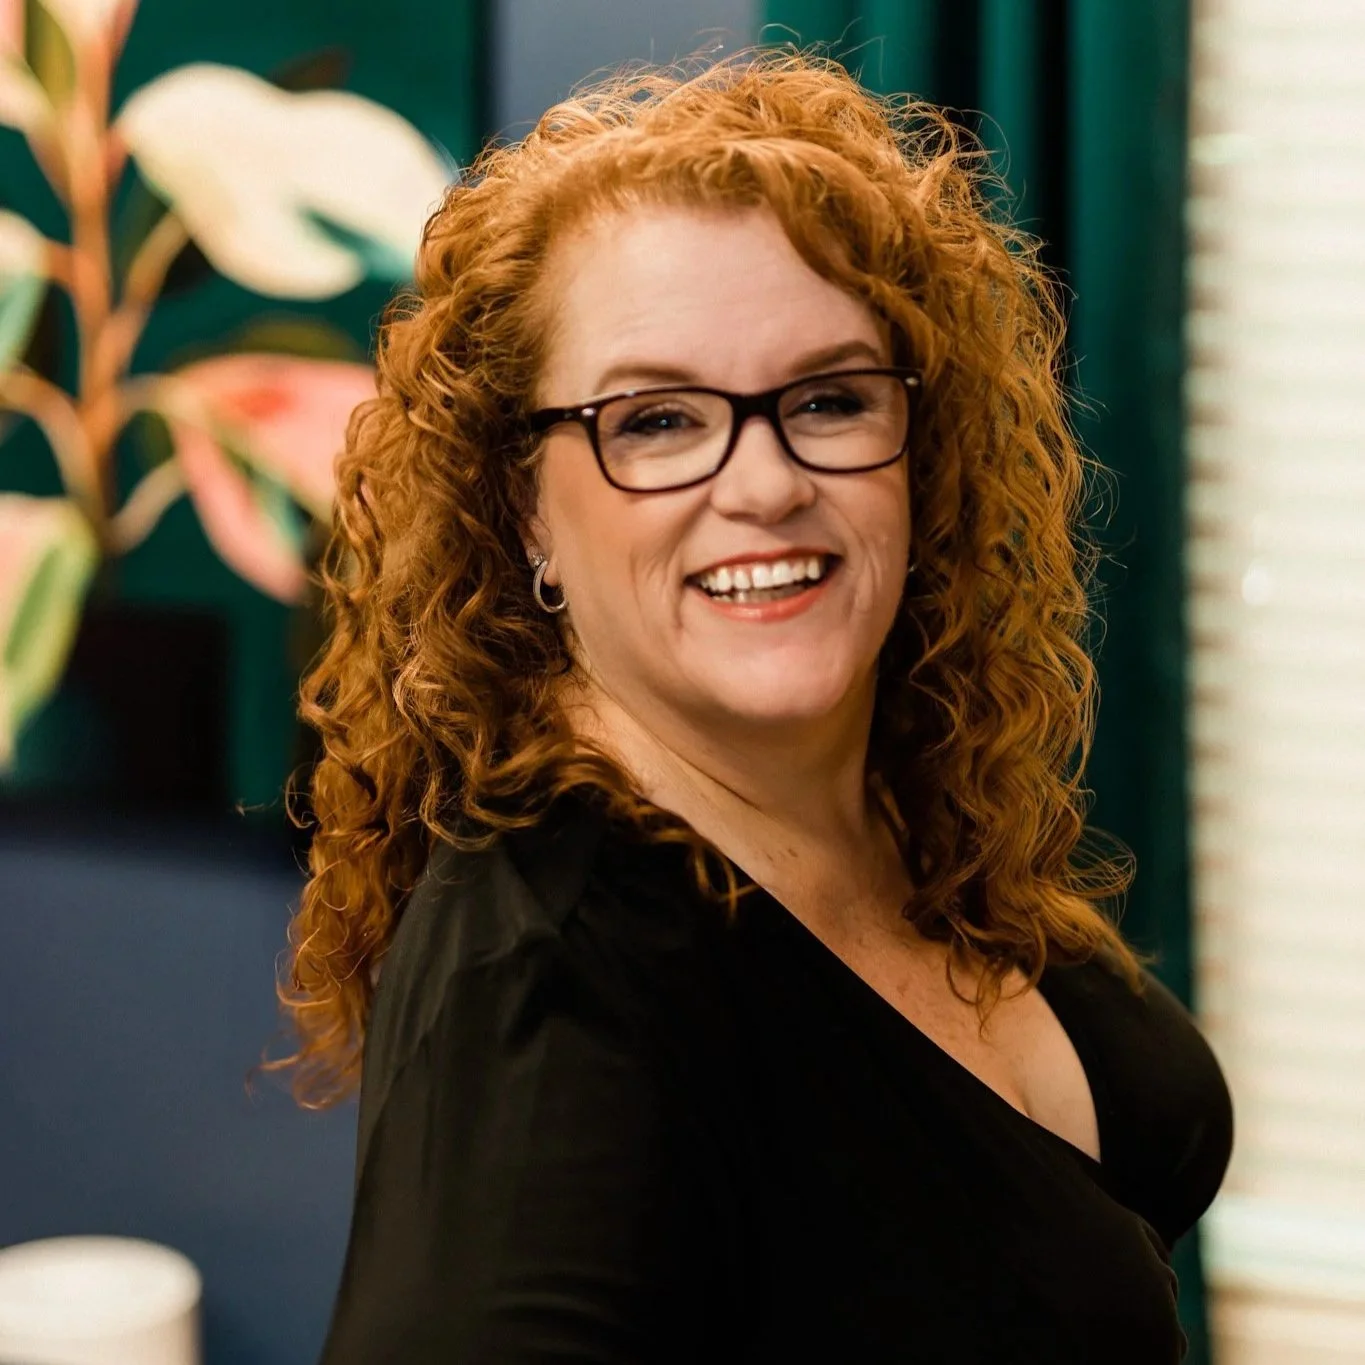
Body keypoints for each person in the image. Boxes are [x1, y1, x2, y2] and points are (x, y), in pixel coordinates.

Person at [279, 49, 1233, 1364]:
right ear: (523, 512)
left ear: (922, 449)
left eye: (829, 399)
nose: (768, 481)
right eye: (658, 420)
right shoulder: (551, 972)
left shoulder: (913, 797)